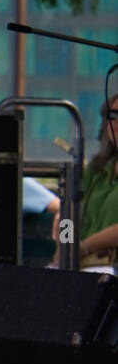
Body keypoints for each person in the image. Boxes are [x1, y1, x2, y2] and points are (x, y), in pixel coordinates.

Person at [57, 94, 118, 274]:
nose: (115, 122)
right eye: (112, 115)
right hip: (81, 265)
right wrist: (64, 246)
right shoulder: (96, 169)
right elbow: (67, 212)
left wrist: (83, 248)